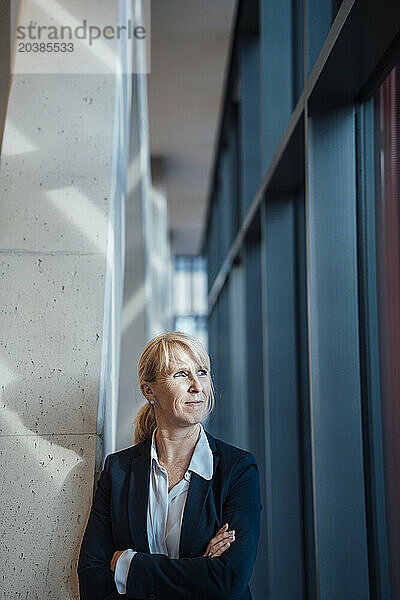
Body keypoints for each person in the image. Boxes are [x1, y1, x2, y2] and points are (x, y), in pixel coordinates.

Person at [77, 331, 263, 600]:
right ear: (149, 390)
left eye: (202, 372)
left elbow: (228, 579)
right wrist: (200, 568)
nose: (197, 386)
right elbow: (92, 580)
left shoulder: (237, 469)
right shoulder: (118, 470)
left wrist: (129, 566)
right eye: (180, 374)